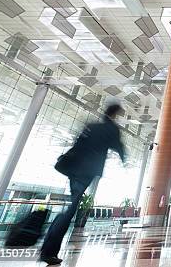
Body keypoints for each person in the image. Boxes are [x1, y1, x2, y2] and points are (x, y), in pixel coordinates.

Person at [40, 104, 126, 265]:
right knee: (70, 209)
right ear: (115, 115)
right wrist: (123, 160)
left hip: (73, 169)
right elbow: (119, 147)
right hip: (86, 172)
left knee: (71, 206)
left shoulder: (92, 125)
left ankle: (49, 247)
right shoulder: (111, 129)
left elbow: (78, 143)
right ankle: (48, 250)